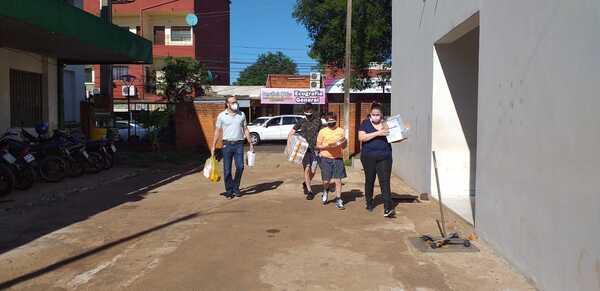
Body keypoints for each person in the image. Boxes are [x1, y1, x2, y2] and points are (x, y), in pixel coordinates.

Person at [211, 96, 254, 199]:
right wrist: (213, 145)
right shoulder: (222, 116)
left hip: (239, 144)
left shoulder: (242, 114)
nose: (235, 104)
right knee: (227, 170)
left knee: (240, 167)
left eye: (236, 102)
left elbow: (245, 129)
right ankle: (229, 190)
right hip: (227, 145)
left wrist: (250, 143)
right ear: (227, 104)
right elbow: (217, 131)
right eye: (233, 102)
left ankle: (236, 186)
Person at [358, 103, 395, 217]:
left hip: (385, 156)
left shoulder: (387, 124)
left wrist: (402, 136)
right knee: (370, 180)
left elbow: (394, 137)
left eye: (377, 114)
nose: (375, 116)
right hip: (368, 157)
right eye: (373, 114)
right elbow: (362, 138)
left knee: (385, 182)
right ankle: (369, 202)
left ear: (381, 115)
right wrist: (378, 133)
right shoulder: (365, 123)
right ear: (370, 114)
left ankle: (387, 208)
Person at [287, 103, 322, 200]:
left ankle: (306, 182)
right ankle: (310, 191)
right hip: (304, 149)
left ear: (313, 110)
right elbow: (291, 133)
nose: (308, 113)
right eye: (307, 111)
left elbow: (321, 133)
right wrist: (289, 145)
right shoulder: (301, 121)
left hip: (315, 149)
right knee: (307, 168)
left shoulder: (318, 121)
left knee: (313, 170)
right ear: (304, 112)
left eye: (310, 111)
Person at [316, 112, 347, 210]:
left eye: (332, 121)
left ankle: (338, 199)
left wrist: (342, 143)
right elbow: (317, 146)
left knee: (338, 180)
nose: (331, 123)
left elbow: (344, 146)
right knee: (326, 180)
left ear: (336, 120)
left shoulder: (340, 131)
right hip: (325, 158)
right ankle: (325, 190)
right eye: (329, 121)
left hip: (338, 158)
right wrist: (327, 146)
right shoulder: (322, 131)